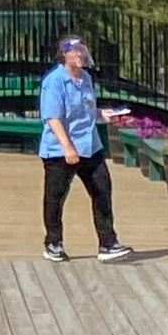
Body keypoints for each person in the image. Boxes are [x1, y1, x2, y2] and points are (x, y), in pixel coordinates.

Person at [39, 36, 131, 263]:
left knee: (102, 190)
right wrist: (67, 147)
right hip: (61, 150)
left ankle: (108, 243)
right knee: (55, 197)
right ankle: (53, 244)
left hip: (90, 145)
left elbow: (85, 107)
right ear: (64, 55)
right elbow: (52, 118)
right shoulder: (55, 81)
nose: (80, 56)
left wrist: (102, 114)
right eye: (76, 52)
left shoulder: (86, 78)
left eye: (83, 52)